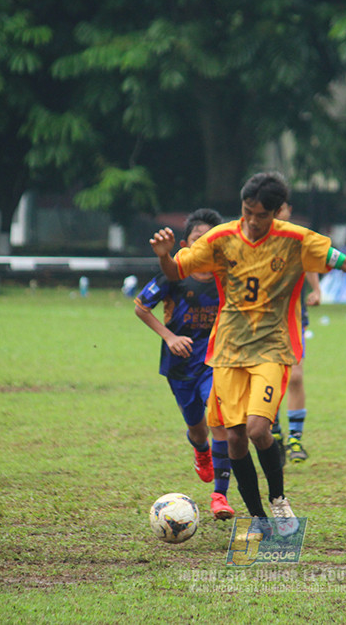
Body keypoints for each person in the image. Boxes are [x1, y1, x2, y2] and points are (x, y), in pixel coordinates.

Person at [150, 171, 346, 539]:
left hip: (272, 348)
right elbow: (177, 269)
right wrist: (164, 256)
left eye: (261, 215)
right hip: (226, 351)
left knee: (258, 429)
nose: (253, 222)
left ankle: (278, 498)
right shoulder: (220, 238)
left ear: (277, 213)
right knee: (235, 437)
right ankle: (257, 520)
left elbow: (345, 263)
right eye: (247, 212)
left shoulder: (297, 240)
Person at [134, 208, 235, 520]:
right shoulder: (173, 273)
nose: (202, 244)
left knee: (220, 420)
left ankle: (220, 495)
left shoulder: (227, 275)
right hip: (179, 365)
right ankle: (201, 450)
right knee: (197, 426)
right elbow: (141, 307)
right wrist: (169, 337)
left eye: (209, 239)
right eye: (196, 239)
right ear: (185, 244)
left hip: (215, 361)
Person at [269, 202, 321, 464]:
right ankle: (275, 432)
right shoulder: (258, 238)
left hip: (293, 316)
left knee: (295, 376)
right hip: (262, 319)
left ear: (289, 209)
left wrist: (316, 289)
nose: (279, 212)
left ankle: (295, 439)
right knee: (269, 376)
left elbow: (310, 262)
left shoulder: (297, 237)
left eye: (282, 207)